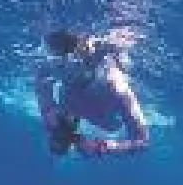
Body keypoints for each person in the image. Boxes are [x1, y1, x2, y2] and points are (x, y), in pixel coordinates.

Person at [34, 27, 150, 158]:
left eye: (69, 60)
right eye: (59, 61)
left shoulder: (116, 85)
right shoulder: (50, 68)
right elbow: (44, 93)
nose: (63, 65)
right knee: (59, 137)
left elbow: (143, 141)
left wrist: (103, 147)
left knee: (109, 125)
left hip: (105, 115)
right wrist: (53, 124)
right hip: (79, 104)